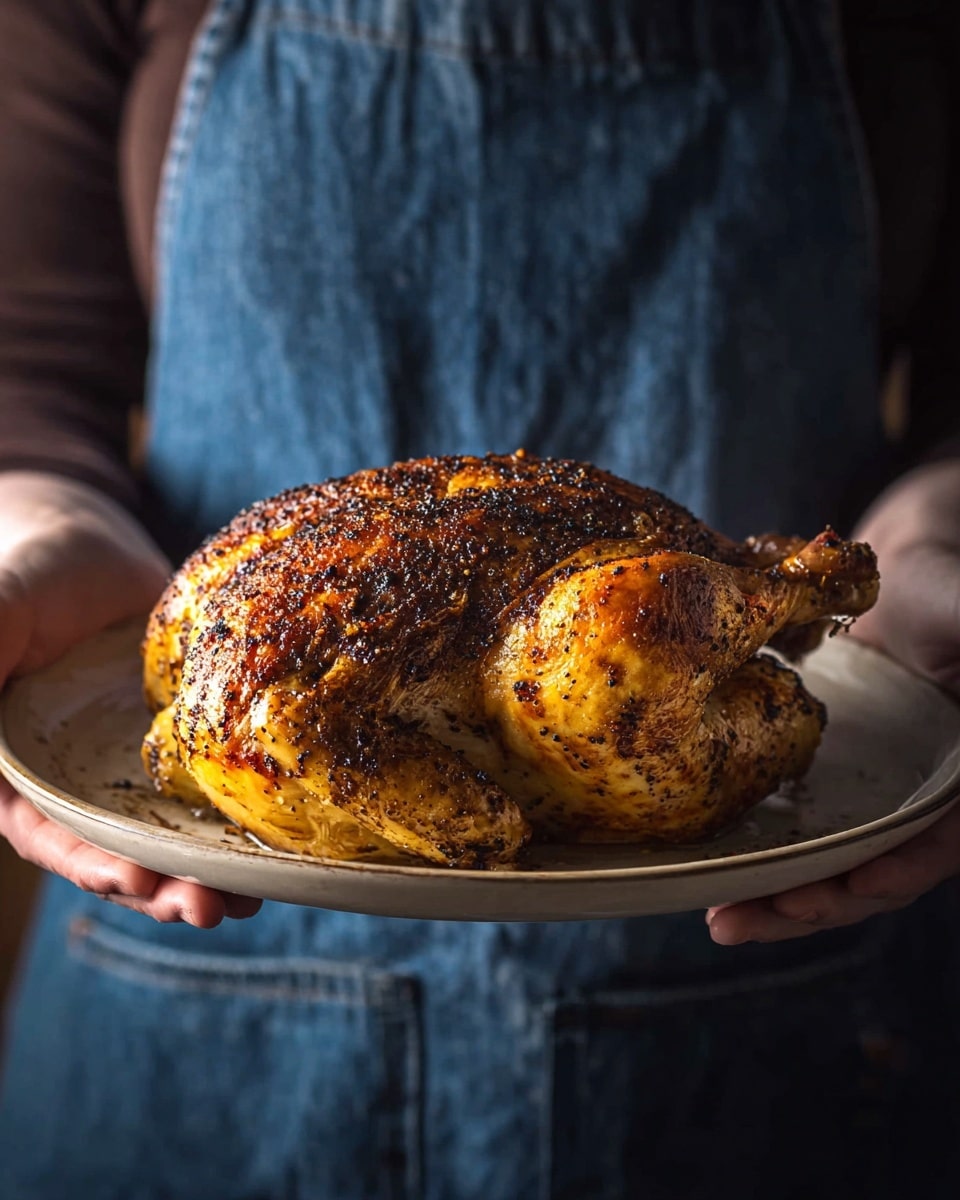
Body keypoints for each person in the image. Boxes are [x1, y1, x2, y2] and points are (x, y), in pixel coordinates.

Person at [1, 0, 959, 1196]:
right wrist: (39, 534)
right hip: (187, 993)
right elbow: (27, 362)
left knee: (580, 696)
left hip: (798, 978)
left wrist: (938, 537)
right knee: (282, 708)